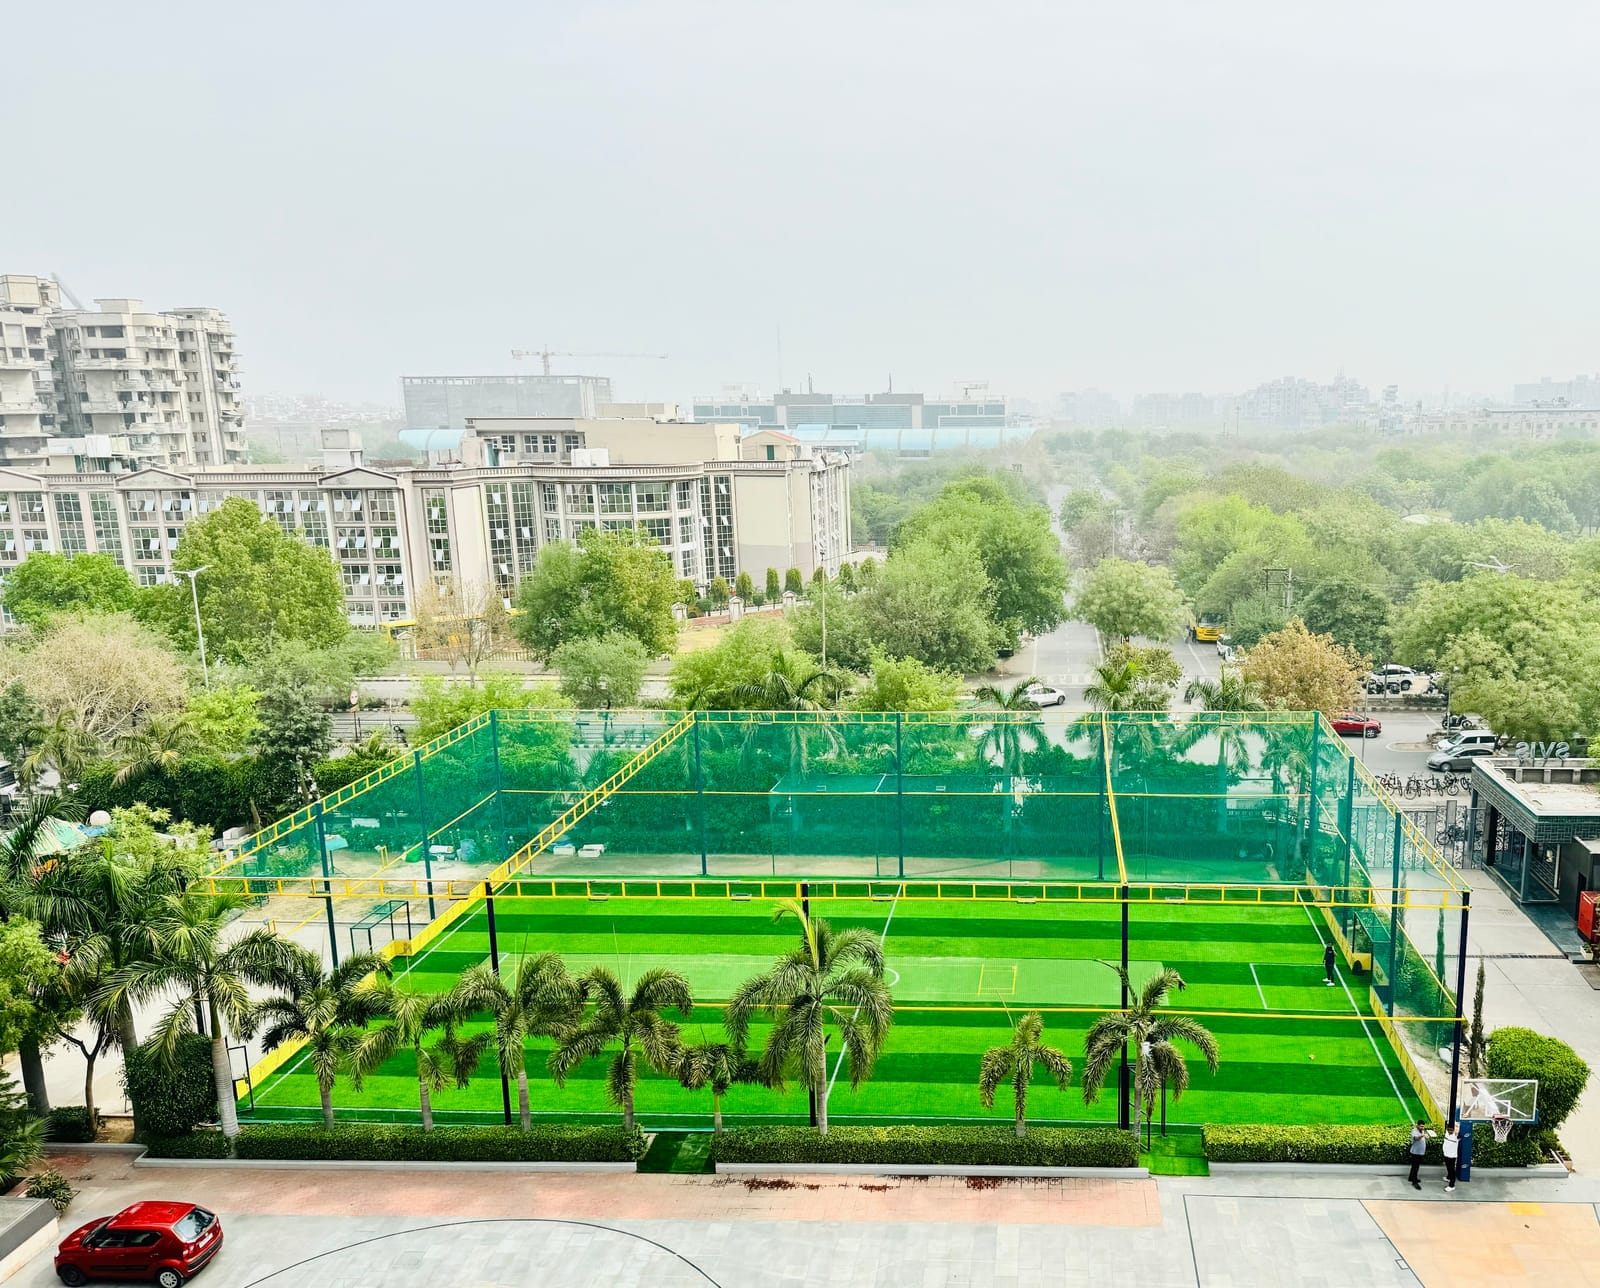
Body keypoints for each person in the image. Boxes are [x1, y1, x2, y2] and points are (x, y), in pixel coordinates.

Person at [1407, 1119, 1432, 1189]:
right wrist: (1423, 1135)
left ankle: (1411, 1178)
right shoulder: (1414, 1131)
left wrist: (1425, 1136)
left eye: (1423, 1126)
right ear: (1417, 1125)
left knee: (1415, 1166)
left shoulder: (1422, 1131)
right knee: (1415, 1167)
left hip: (1420, 1152)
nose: (1422, 1128)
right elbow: (1416, 1138)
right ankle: (1414, 1182)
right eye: (1421, 1126)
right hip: (1415, 1152)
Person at [1442, 1123, 1460, 1192]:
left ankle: (1451, 1185)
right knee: (1448, 1167)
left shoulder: (1455, 1135)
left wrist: (1456, 1125)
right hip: (1446, 1154)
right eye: (1448, 1129)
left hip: (1452, 1156)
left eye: (1451, 1130)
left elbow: (1457, 1125)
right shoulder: (1447, 1133)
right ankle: (1448, 1177)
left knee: (1452, 1170)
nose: (1450, 1131)